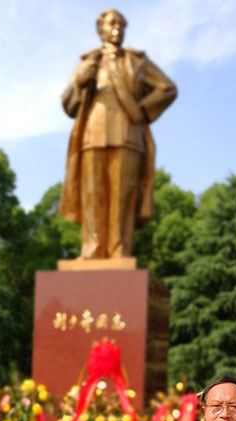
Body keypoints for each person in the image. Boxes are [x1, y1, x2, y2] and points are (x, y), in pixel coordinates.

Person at [60, 8, 177, 259]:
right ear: (100, 29)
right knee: (92, 195)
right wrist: (80, 81)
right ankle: (92, 247)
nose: (117, 28)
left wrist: (143, 110)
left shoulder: (136, 61)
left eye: (122, 24)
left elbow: (168, 88)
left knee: (123, 196)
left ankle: (119, 247)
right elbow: (67, 103)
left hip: (127, 135)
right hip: (92, 134)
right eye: (112, 23)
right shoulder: (87, 62)